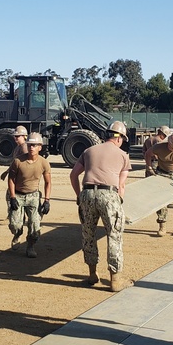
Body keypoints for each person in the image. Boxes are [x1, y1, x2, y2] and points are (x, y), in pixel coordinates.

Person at [70, 120, 131, 291]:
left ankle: (92, 274)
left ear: (107, 135)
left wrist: (79, 196)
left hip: (87, 193)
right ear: (120, 139)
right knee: (114, 235)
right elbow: (122, 186)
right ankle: (115, 280)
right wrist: (118, 201)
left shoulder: (88, 151)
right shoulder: (123, 156)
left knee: (88, 234)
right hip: (109, 194)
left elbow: (73, 175)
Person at [7, 131, 52, 258]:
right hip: (18, 195)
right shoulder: (18, 161)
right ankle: (18, 234)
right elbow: (11, 179)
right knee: (15, 225)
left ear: (40, 147)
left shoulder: (44, 163)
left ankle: (30, 246)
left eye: (35, 145)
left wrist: (47, 200)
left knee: (35, 226)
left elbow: (48, 182)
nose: (31, 147)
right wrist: (12, 197)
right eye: (30, 145)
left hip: (33, 196)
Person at [0, 126, 29, 224]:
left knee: (11, 196)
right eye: (15, 137)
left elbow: (26, 163)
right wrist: (7, 172)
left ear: (24, 136)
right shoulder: (18, 148)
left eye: (18, 136)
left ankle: (13, 217)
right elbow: (15, 163)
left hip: (21, 178)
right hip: (17, 176)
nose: (16, 138)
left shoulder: (24, 147)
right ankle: (20, 217)